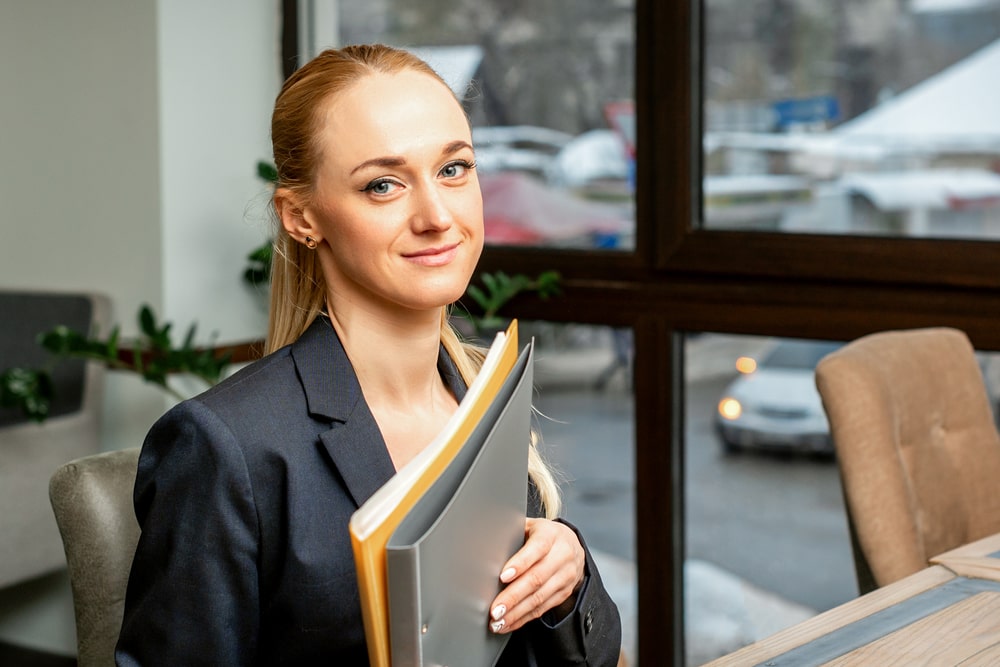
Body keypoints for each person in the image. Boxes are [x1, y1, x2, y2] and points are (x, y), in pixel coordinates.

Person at [116, 44, 622, 666]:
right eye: (383, 185)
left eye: (454, 169)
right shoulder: (226, 448)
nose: (437, 216)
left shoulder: (480, 400)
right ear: (301, 217)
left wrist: (566, 580)